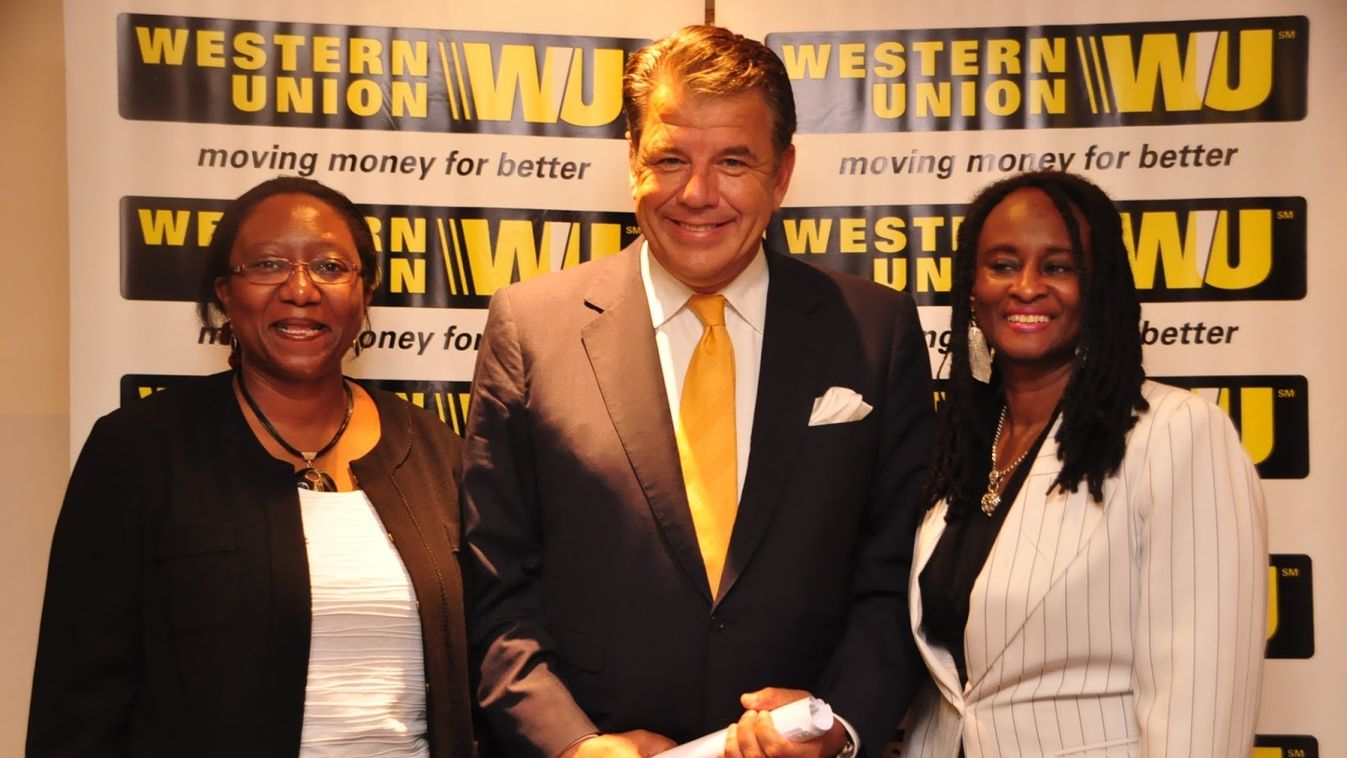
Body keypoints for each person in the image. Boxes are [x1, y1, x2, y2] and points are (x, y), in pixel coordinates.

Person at [462, 24, 934, 758]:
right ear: (632, 161)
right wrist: (573, 744)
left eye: (733, 161)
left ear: (782, 173)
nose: (697, 194)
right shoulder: (530, 327)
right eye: (670, 159)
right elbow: (495, 584)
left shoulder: (875, 330)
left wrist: (838, 724)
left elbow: (897, 574)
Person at [27, 177, 474, 757]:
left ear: (364, 293)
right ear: (225, 295)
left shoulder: (437, 451)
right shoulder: (139, 450)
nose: (300, 290)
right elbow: (77, 705)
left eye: (330, 267)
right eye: (267, 265)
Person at [904, 171, 1267, 758]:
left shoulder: (1175, 434)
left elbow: (1204, 704)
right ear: (972, 290)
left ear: (1100, 290)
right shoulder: (960, 447)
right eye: (1002, 265)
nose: (1026, 287)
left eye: (1058, 267)